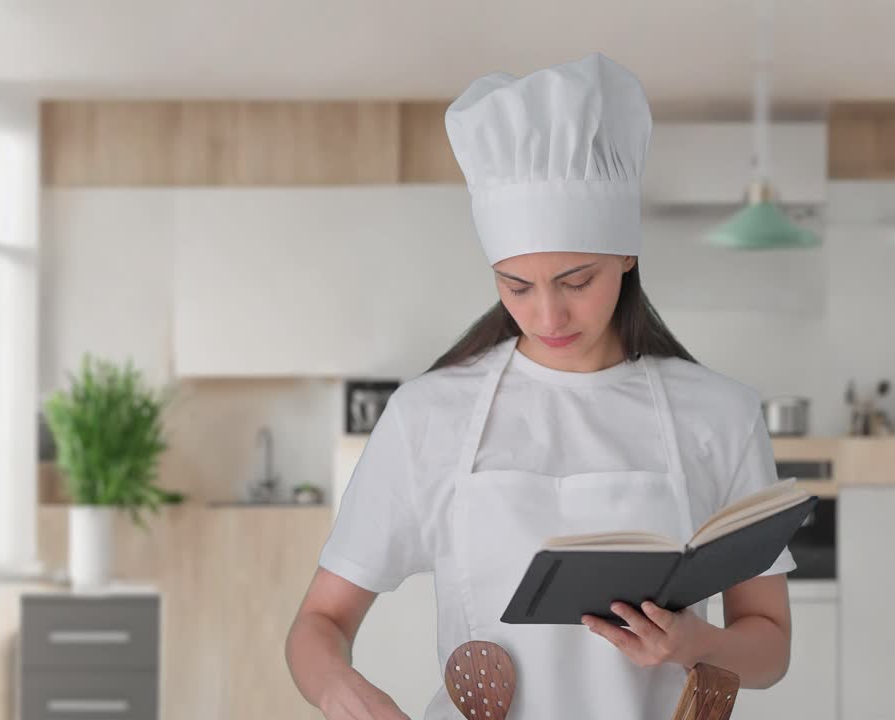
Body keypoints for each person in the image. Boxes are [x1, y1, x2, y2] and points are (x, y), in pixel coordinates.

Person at [285, 52, 796, 720]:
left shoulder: (720, 414)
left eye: (577, 282)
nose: (547, 316)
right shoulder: (430, 414)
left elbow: (771, 648)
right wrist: (339, 689)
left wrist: (691, 642)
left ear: (626, 255)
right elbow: (318, 624)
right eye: (516, 286)